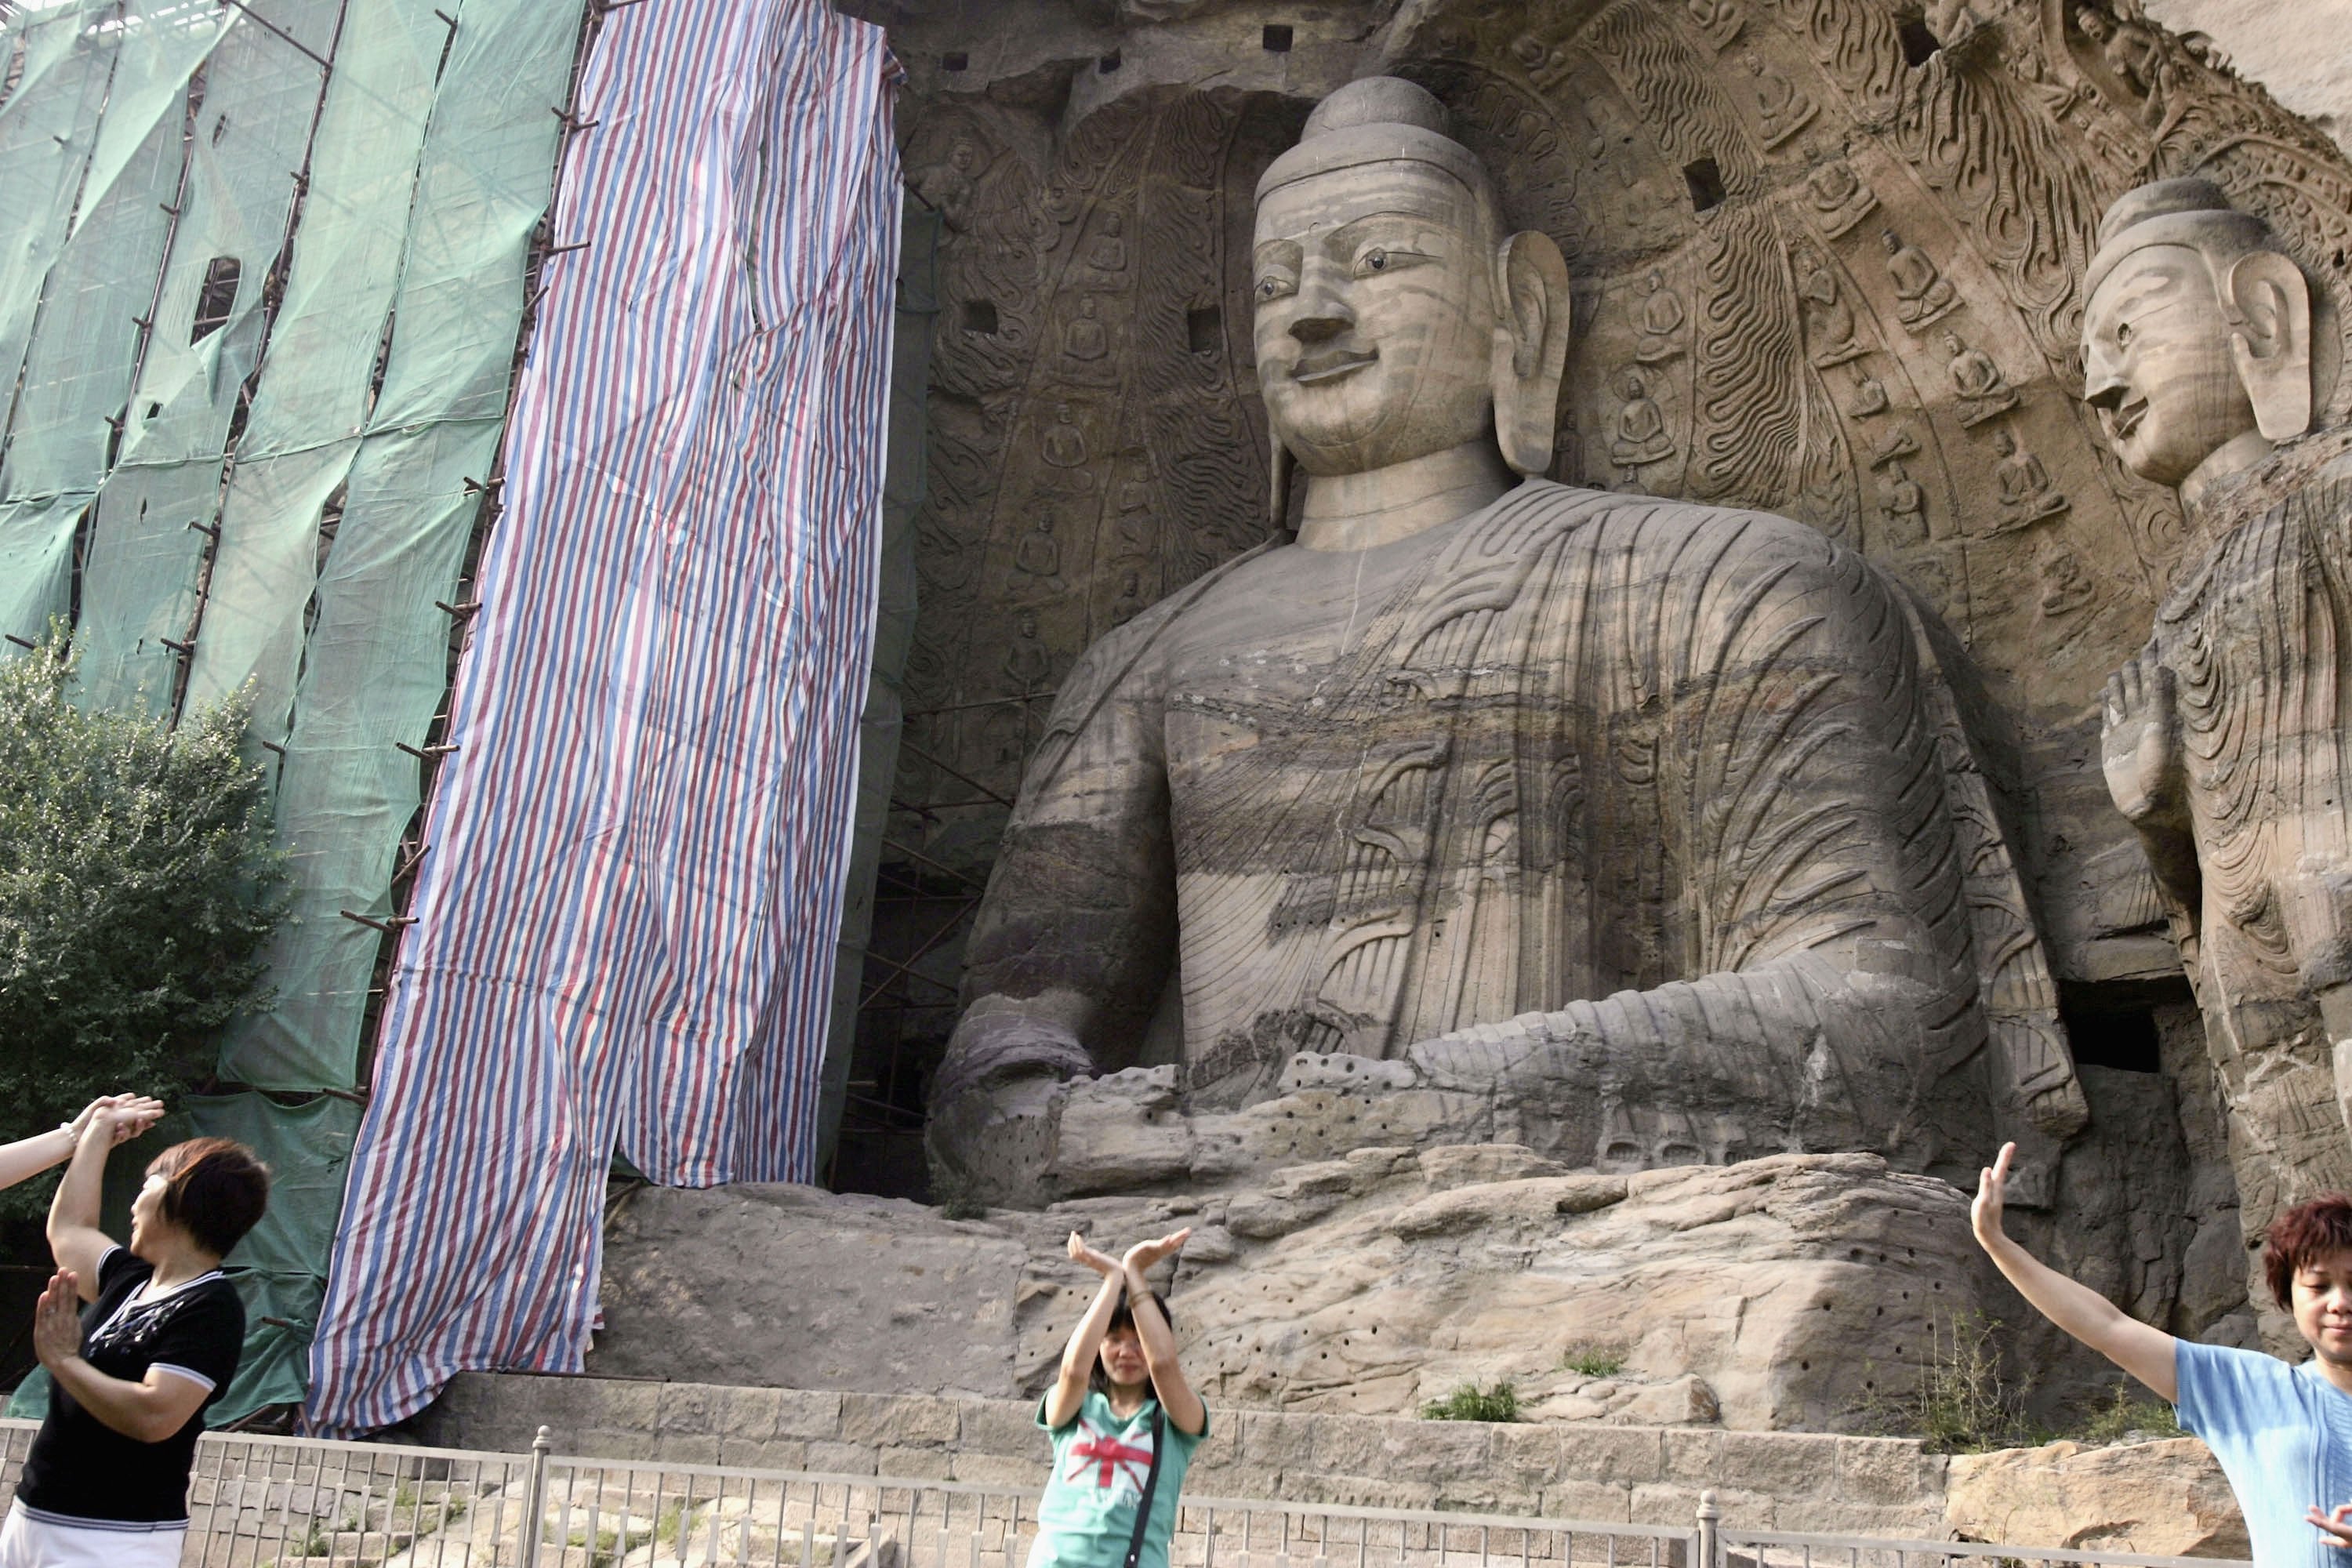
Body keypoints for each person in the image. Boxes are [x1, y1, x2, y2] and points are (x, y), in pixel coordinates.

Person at [1973, 1141, 2352, 1563]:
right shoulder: (2250, 1390)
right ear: (2289, 1295)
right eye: (2319, 1286)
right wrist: (1997, 1244)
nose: (2339, 1303)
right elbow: (2108, 1327)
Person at [2, 1103, 268, 1568]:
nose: (133, 1202)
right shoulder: (130, 1280)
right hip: (34, 1517)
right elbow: (69, 1229)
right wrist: (95, 1135)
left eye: (147, 1187)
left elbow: (154, 1416)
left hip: (115, 1538)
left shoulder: (211, 1307)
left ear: (180, 1198)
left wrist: (67, 1362)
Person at [1029, 1229, 1207, 1568]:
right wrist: (1112, 1280)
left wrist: (1135, 1273)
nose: (1127, 1351)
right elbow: (1072, 1372)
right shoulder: (1074, 1407)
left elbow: (1165, 1366)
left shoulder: (1177, 1420)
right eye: (1114, 1339)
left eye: (1139, 1339)